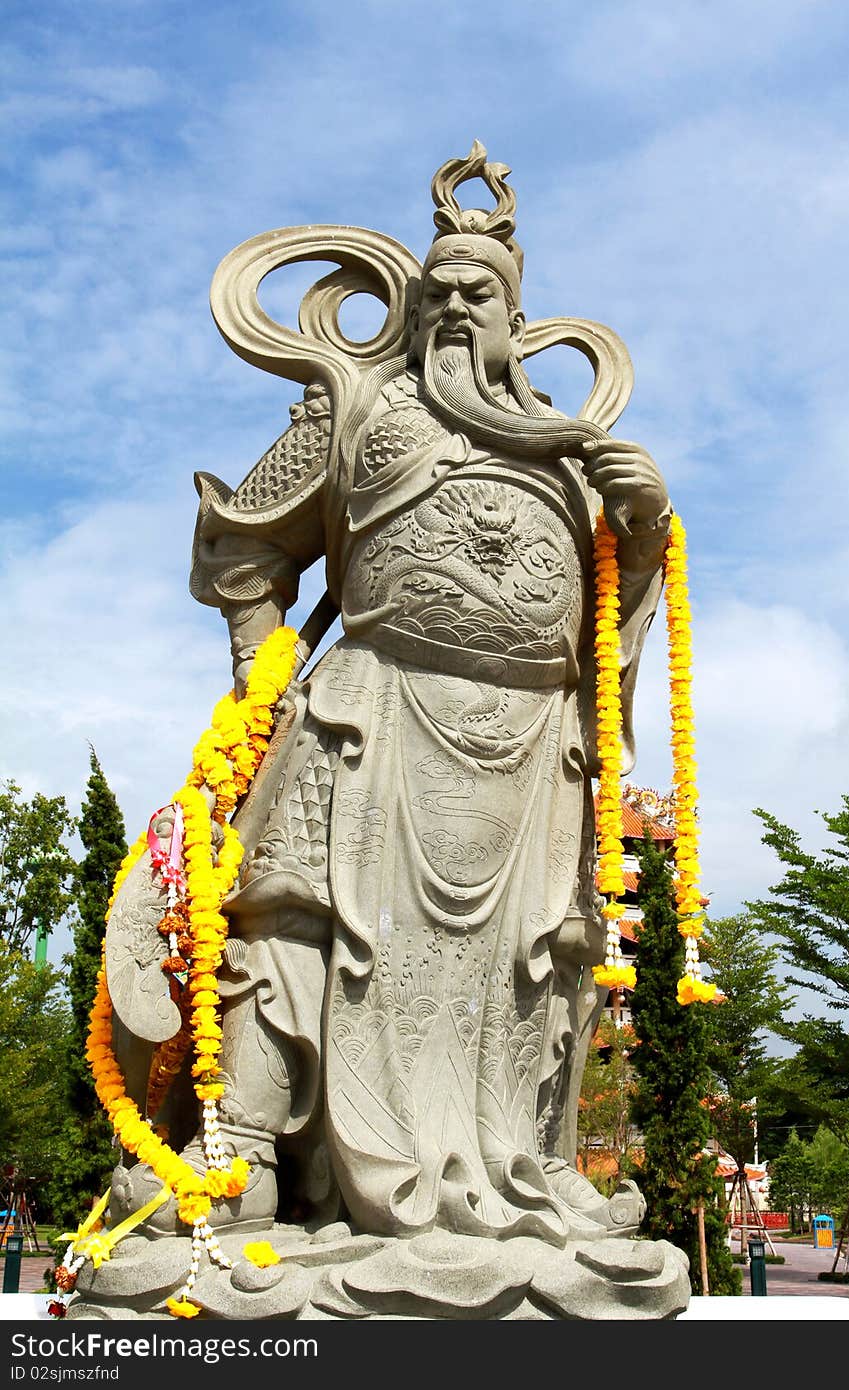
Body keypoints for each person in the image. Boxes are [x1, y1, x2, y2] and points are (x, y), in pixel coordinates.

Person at [114, 145, 671, 1254]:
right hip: (371, 714)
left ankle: (525, 1166)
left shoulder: (569, 457)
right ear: (413, 308)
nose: (462, 308)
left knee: (539, 962)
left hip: (530, 753)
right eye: (444, 294)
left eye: (483, 296)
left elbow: (604, 637)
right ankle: (244, 1148)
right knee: (290, 922)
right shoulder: (358, 408)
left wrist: (644, 537)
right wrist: (260, 685)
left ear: (517, 318)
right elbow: (242, 551)